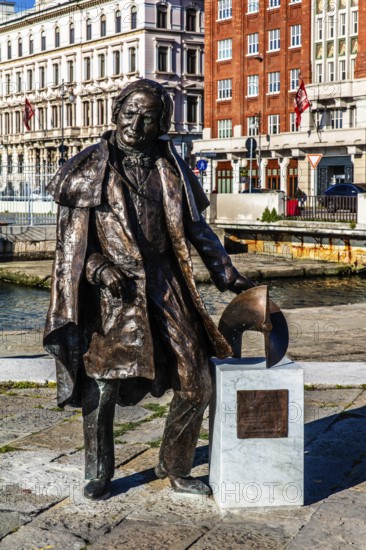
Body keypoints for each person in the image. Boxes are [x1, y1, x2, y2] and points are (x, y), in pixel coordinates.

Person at [44, 79, 253, 501]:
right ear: (116, 111)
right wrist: (99, 268)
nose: (136, 125)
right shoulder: (86, 170)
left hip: (166, 283)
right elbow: (70, 251)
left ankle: (174, 465)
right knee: (102, 386)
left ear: (161, 124)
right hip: (114, 293)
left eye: (149, 118)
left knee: (196, 381)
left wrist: (225, 272)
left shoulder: (171, 167)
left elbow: (197, 229)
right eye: (130, 114)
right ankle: (99, 471)